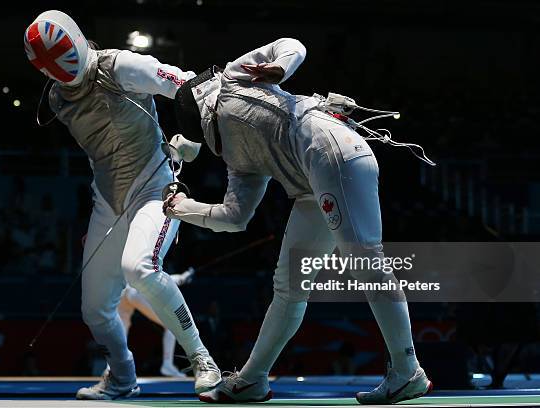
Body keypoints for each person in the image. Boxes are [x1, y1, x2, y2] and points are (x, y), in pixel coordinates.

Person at [163, 38, 431, 404]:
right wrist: (181, 207)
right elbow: (235, 217)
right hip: (313, 181)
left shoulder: (233, 80)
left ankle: (407, 371)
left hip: (330, 149)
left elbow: (293, 45)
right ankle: (253, 379)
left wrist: (280, 69)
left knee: (366, 261)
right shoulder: (238, 161)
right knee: (289, 286)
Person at [23, 10, 220, 400]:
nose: (67, 75)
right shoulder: (57, 99)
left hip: (155, 188)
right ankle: (122, 377)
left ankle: (202, 359)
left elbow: (189, 86)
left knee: (139, 268)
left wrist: (193, 138)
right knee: (95, 309)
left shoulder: (122, 66)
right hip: (108, 201)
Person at [117, 268, 195, 377]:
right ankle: (167, 365)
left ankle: (111, 367)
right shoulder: (151, 259)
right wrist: (182, 277)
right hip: (136, 291)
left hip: (123, 289)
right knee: (171, 325)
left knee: (122, 328)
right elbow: (163, 280)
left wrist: (182, 277)